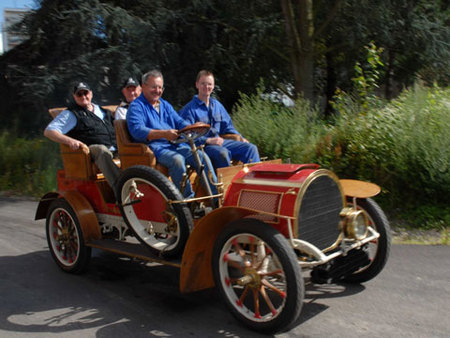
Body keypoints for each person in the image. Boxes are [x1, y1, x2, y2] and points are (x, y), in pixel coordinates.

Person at [127, 70, 217, 198]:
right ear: (143, 86)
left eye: (160, 87)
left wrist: (192, 126)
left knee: (201, 156)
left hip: (174, 145)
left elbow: (179, 121)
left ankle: (215, 197)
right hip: (155, 148)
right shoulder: (136, 106)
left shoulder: (164, 105)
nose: (157, 91)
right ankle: (187, 203)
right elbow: (137, 131)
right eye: (154, 87)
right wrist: (164, 134)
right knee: (177, 160)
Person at [44, 82, 121, 189]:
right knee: (101, 150)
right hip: (91, 150)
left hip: (116, 148)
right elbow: (49, 131)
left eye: (86, 93)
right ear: (74, 97)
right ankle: (121, 188)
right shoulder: (71, 114)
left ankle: (143, 184)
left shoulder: (104, 112)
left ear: (91, 94)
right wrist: (70, 141)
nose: (84, 96)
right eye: (79, 94)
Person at [179, 70, 260, 168]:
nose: (206, 87)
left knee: (251, 148)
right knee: (223, 153)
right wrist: (208, 140)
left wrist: (240, 137)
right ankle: (225, 182)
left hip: (221, 142)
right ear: (197, 85)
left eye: (209, 84)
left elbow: (228, 127)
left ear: (213, 86)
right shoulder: (189, 109)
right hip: (203, 146)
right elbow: (186, 135)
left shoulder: (217, 106)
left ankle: (253, 179)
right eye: (203, 84)